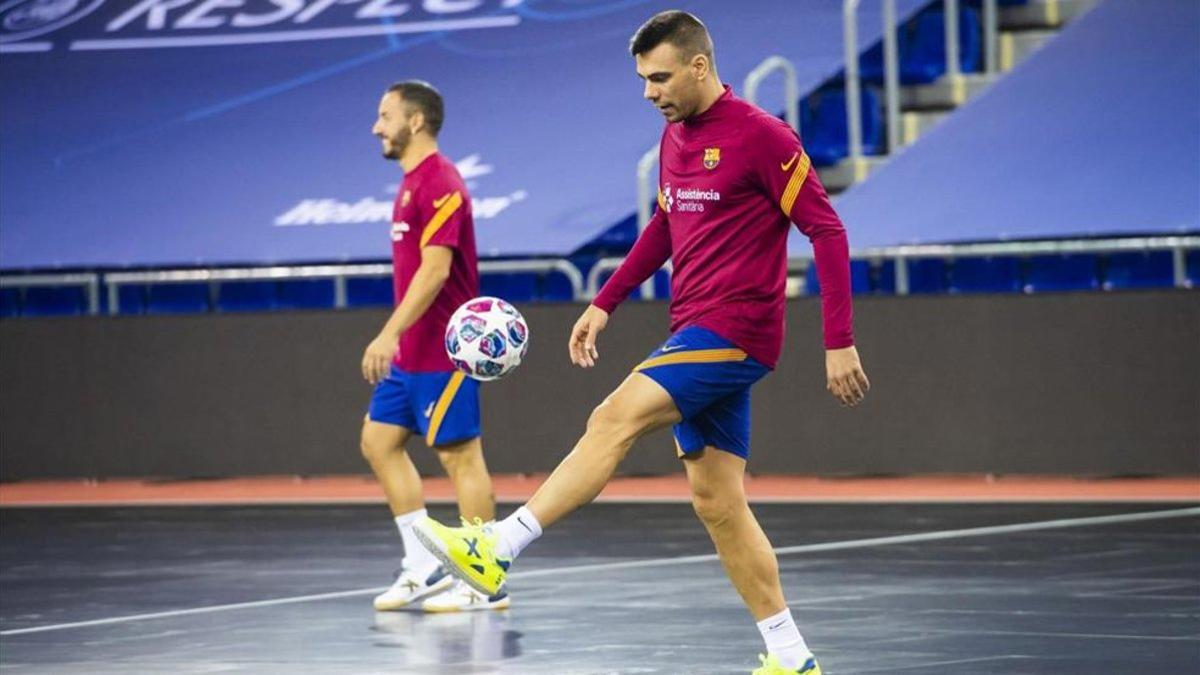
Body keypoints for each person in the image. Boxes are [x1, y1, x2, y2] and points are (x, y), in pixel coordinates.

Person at [416, 11, 870, 672]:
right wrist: (605, 301)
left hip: (738, 329)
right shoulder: (672, 139)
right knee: (717, 501)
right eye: (642, 80)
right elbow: (664, 224)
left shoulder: (764, 137)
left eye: (660, 78)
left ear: (698, 66)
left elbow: (826, 232)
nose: (650, 92)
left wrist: (839, 340)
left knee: (613, 416)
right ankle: (789, 654)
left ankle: (499, 546)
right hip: (693, 326)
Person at [362, 80, 508, 613]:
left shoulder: (442, 181)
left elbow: (436, 269)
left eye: (385, 115)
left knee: (459, 457)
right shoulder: (408, 184)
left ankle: (484, 577)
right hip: (410, 355)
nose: (377, 126)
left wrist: (388, 331)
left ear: (415, 121)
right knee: (379, 442)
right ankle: (423, 566)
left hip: (444, 350)